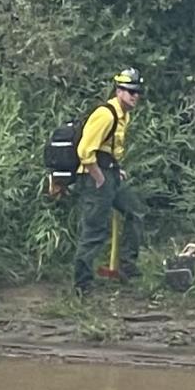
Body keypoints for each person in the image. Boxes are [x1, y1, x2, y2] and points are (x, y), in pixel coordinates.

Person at [73, 66, 145, 292]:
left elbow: (109, 148)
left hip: (110, 173)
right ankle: (82, 283)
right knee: (95, 230)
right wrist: (100, 177)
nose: (135, 96)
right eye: (130, 91)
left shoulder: (124, 116)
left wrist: (116, 169)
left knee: (135, 211)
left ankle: (127, 265)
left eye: (137, 91)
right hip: (94, 177)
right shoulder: (105, 114)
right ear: (118, 91)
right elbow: (85, 150)